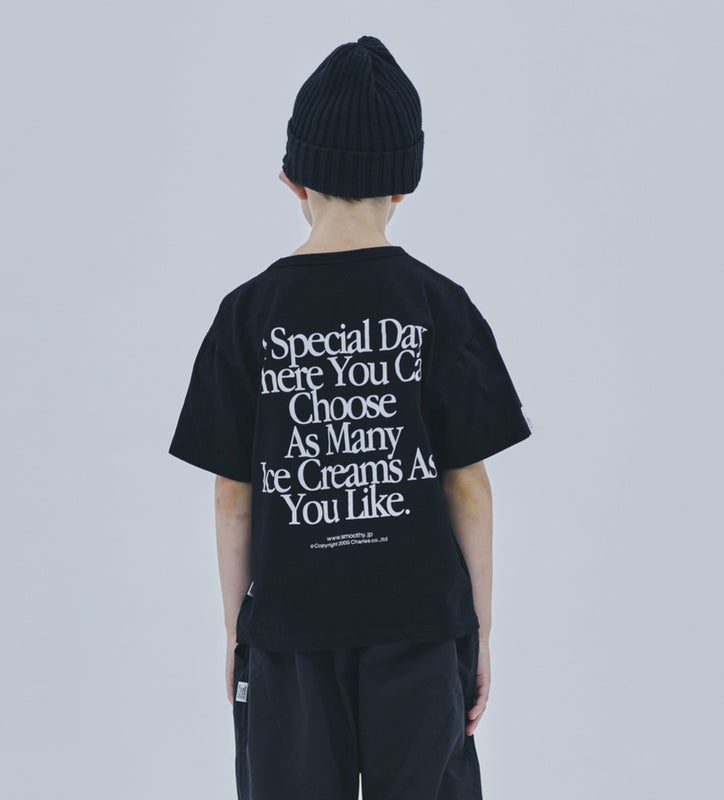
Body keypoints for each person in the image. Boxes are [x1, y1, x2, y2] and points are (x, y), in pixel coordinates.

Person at [168, 34, 533, 800]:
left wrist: (238, 633)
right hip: (422, 625)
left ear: (292, 178)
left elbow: (232, 496)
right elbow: (468, 487)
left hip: (292, 631)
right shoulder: (441, 308)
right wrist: (480, 630)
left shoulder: (246, 316)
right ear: (405, 184)